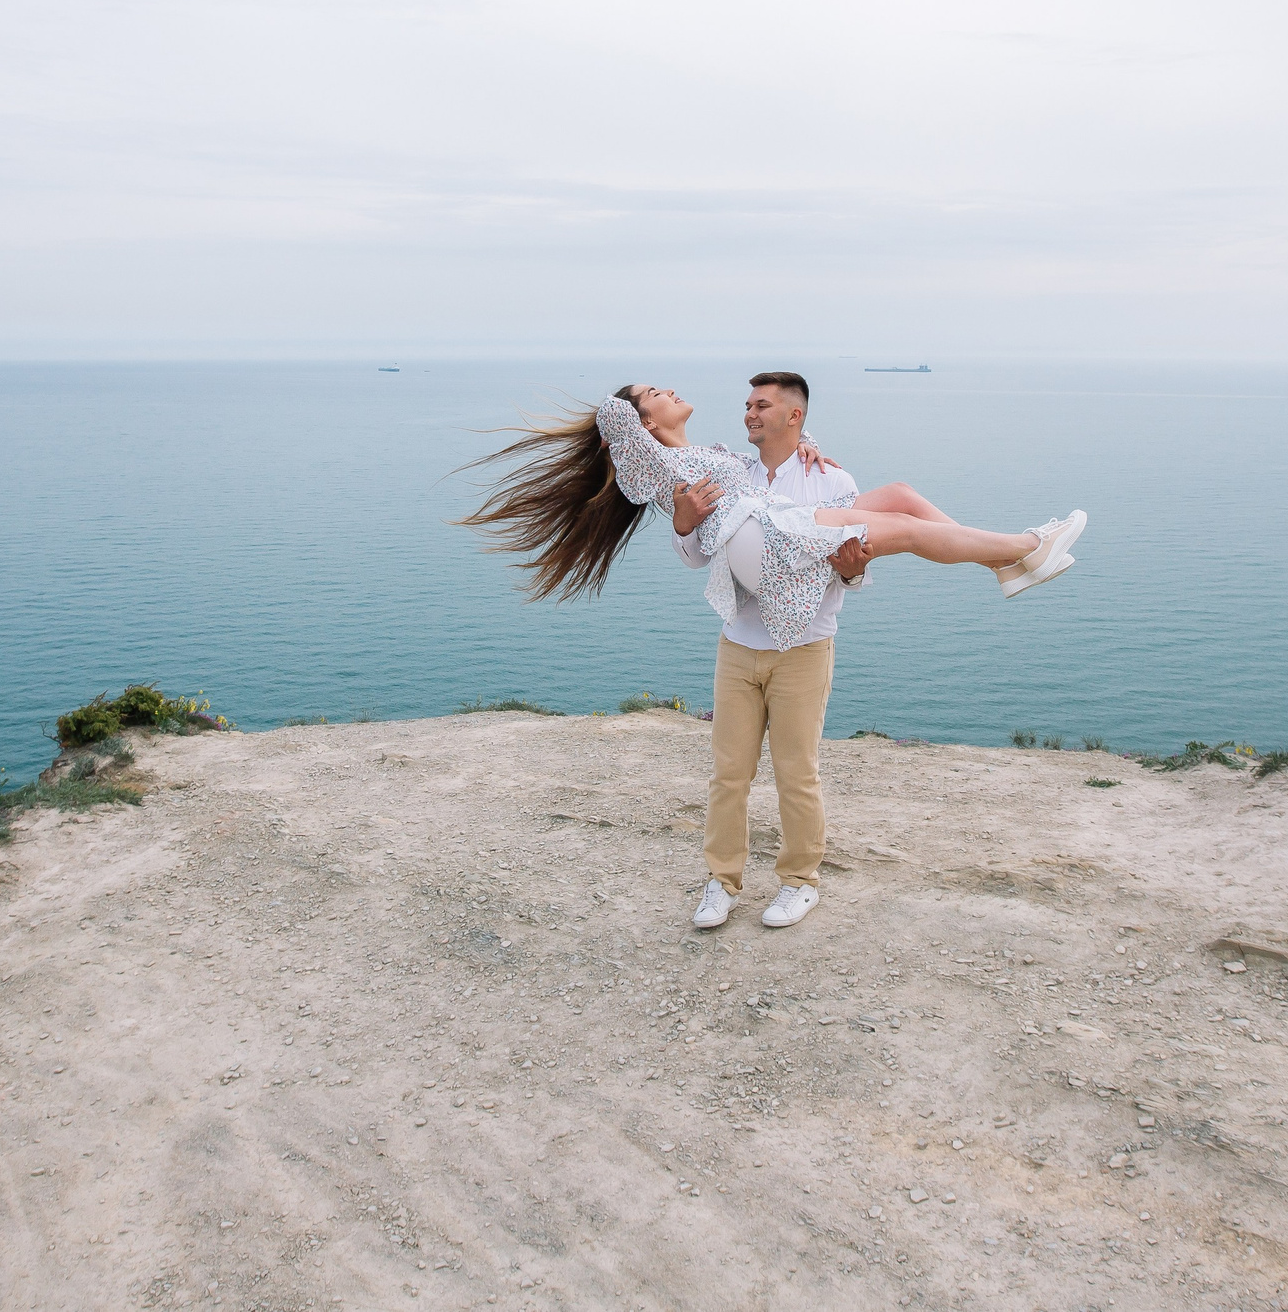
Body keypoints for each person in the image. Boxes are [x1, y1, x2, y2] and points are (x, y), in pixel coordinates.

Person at [460, 371, 1086, 931]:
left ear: (794, 417)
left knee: (897, 499)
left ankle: (798, 882)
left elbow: (848, 572)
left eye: (761, 404)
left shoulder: (789, 468)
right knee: (729, 772)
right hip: (763, 568)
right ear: (643, 424)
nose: (682, 393)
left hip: (792, 587)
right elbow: (682, 528)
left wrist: (850, 564)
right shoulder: (651, 460)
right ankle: (1023, 548)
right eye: (659, 394)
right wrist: (679, 515)